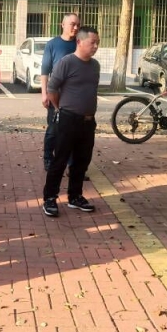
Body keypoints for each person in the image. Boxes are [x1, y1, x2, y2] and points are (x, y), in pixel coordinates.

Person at [41, 26, 101, 217]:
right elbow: (52, 89)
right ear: (79, 42)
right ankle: (50, 198)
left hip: (88, 122)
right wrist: (60, 108)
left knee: (82, 161)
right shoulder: (66, 62)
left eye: (98, 43)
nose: (95, 46)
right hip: (68, 120)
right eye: (92, 42)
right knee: (59, 160)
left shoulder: (95, 65)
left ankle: (75, 196)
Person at [41, 13, 80, 171]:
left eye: (78, 25)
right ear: (62, 25)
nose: (75, 27)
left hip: (75, 96)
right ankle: (48, 159)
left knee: (73, 131)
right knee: (53, 129)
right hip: (56, 94)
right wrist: (44, 94)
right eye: (72, 24)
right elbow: (45, 71)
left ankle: (71, 164)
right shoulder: (53, 44)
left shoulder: (79, 44)